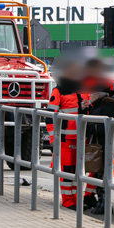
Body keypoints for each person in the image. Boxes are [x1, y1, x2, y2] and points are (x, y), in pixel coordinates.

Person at [46, 51, 97, 210]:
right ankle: (69, 201)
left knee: (91, 168)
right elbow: (50, 117)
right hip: (66, 140)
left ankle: (84, 197)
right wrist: (53, 139)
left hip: (85, 137)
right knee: (69, 172)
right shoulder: (59, 91)